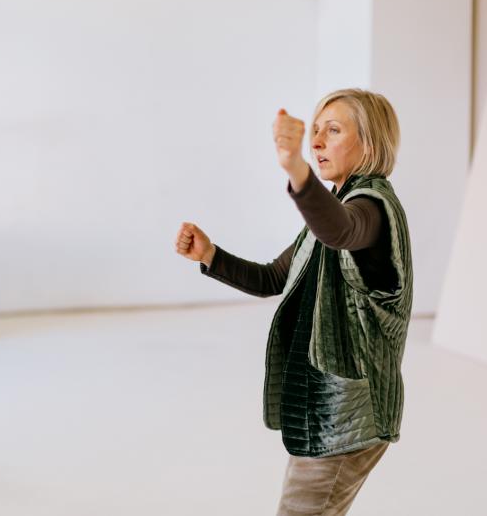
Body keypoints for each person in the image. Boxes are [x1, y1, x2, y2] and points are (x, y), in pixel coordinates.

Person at [175, 88, 412, 516]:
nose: (317, 141)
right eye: (315, 131)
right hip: (329, 410)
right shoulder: (333, 210)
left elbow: (342, 230)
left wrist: (297, 171)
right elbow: (273, 277)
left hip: (348, 417)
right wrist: (210, 255)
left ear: (370, 144)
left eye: (333, 130)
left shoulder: (372, 211)